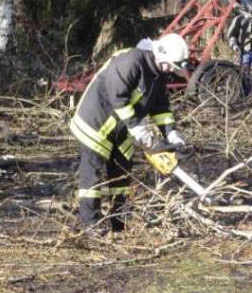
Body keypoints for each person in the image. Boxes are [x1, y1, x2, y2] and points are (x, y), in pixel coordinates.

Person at [70, 33, 189, 235]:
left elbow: (160, 107)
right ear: (160, 54)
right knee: (93, 176)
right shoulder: (132, 60)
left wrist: (172, 135)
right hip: (97, 121)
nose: (171, 70)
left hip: (121, 128)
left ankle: (119, 221)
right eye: (169, 65)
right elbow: (117, 95)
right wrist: (138, 127)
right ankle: (91, 224)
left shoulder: (158, 74)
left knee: (121, 172)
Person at [227, 13, 252, 104]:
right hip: (245, 51)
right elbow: (232, 34)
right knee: (245, 76)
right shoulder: (239, 19)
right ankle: (245, 98)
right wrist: (234, 45)